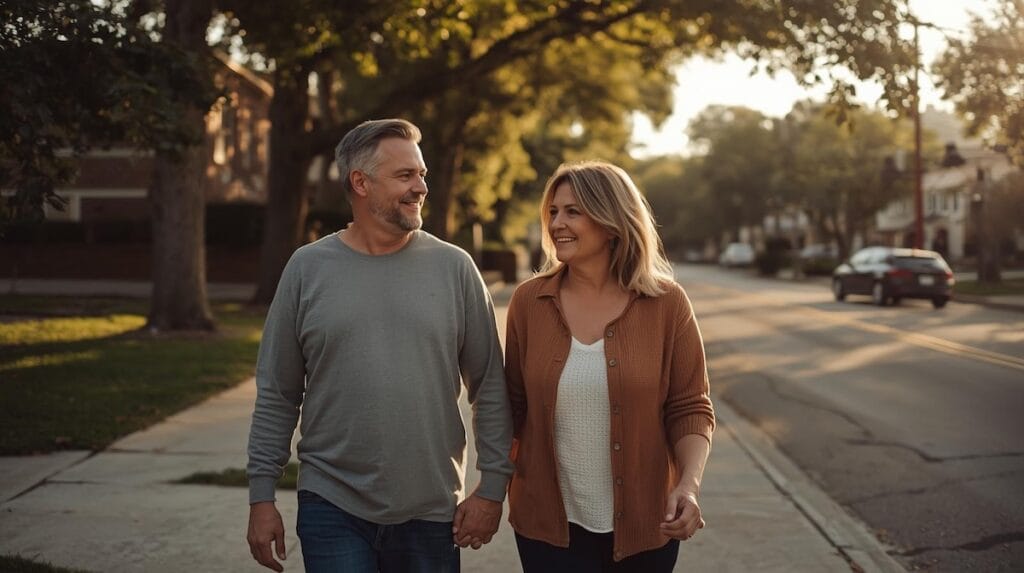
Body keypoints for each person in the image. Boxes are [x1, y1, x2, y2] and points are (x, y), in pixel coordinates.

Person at [245, 118, 514, 573]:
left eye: (422, 174)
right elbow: (278, 392)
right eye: (406, 175)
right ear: (360, 182)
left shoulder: (455, 269)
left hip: (430, 510)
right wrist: (261, 497)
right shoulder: (307, 269)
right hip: (331, 503)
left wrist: (491, 488)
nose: (421, 187)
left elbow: (489, 385)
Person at [504, 161, 715, 572]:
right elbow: (510, 408)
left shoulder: (666, 303)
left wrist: (688, 486)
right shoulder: (529, 303)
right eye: (552, 211)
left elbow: (690, 407)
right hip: (546, 529)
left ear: (612, 222)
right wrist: (490, 490)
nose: (556, 223)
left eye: (572, 211)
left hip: (648, 526)